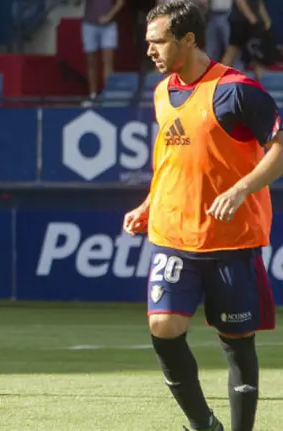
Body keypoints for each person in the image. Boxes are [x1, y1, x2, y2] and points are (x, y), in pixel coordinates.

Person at [124, 2, 282, 430]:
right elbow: (171, 163)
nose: (150, 50)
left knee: (236, 341)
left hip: (230, 239)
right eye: (148, 42)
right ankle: (203, 425)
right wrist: (149, 204)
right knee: (164, 325)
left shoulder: (237, 90)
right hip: (174, 237)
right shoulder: (162, 92)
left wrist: (241, 188)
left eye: (158, 41)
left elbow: (280, 149)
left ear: (188, 39)